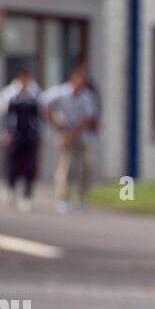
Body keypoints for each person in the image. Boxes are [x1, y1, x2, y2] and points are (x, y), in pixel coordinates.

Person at [43, 65, 98, 212]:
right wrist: (56, 125)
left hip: (81, 134)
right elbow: (44, 104)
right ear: (74, 79)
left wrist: (73, 135)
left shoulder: (87, 96)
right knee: (65, 165)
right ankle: (62, 198)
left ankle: (83, 197)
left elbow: (88, 119)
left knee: (87, 164)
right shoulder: (60, 93)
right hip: (65, 132)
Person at [0, 66, 43, 211]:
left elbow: (41, 117)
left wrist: (41, 136)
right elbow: (0, 115)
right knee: (13, 163)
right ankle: (10, 187)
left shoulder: (36, 95)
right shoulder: (9, 94)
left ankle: (27, 194)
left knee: (30, 166)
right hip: (15, 135)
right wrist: (3, 133)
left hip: (30, 135)